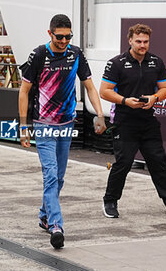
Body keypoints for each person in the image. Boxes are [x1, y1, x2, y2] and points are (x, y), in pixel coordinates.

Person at [18, 14, 106, 249]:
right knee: (50, 174)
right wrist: (24, 126)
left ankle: (44, 215)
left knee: (59, 177)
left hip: (67, 124)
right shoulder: (39, 54)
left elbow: (89, 86)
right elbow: (24, 91)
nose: (64, 40)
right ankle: (56, 226)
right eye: (60, 37)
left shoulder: (76, 54)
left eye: (68, 36)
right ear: (50, 34)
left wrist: (98, 114)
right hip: (44, 124)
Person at [100, 23, 166, 219]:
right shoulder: (117, 63)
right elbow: (104, 91)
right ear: (130, 41)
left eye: (145, 41)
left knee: (158, 163)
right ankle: (110, 201)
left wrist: (154, 98)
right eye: (138, 41)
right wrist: (125, 101)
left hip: (148, 121)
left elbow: (164, 89)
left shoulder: (156, 62)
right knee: (124, 163)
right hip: (125, 121)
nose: (142, 45)